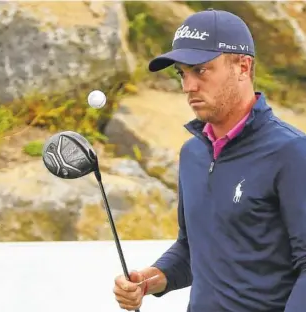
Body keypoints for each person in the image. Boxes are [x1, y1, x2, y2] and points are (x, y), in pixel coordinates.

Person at [113, 8, 306, 312]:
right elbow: (192, 250)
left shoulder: (292, 152)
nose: (188, 86)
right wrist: (149, 280)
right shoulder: (193, 154)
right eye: (182, 73)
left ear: (243, 67)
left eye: (200, 70)